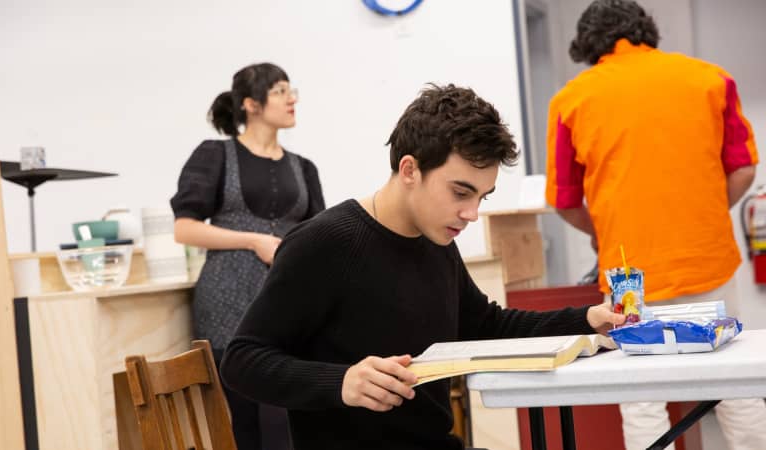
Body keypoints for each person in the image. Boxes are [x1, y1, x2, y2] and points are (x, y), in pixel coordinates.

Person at [220, 83, 625, 450]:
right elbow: (243, 359)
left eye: (482, 197)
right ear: (410, 169)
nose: (470, 213)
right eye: (460, 192)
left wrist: (587, 319)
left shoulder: (435, 239)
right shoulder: (324, 243)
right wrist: (342, 382)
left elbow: (485, 326)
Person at [545, 1, 766, 449]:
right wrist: (702, 213)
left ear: (588, 49)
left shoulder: (570, 101)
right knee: (735, 388)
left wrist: (601, 231)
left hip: (631, 279)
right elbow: (743, 169)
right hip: (709, 266)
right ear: (647, 33)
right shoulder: (710, 79)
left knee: (642, 398)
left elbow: (564, 201)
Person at [170, 62, 325, 450]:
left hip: (289, 303)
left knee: (290, 416)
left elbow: (318, 236)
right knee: (241, 421)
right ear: (252, 104)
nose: (292, 100)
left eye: (293, 91)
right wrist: (253, 240)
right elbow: (184, 228)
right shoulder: (215, 155)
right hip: (227, 301)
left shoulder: (303, 168)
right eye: (281, 91)